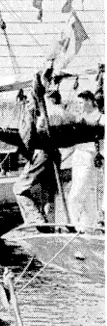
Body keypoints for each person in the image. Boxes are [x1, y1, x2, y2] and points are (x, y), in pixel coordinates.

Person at [14, 71, 105, 224]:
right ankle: (51, 223)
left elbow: (29, 137)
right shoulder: (68, 114)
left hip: (42, 154)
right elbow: (87, 123)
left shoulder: (43, 114)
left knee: (19, 188)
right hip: (55, 156)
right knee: (48, 192)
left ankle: (37, 220)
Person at [66, 90, 104, 230]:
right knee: (88, 197)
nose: (80, 106)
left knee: (75, 196)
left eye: (81, 102)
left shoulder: (101, 119)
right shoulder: (81, 118)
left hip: (89, 158)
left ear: (89, 101)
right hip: (78, 157)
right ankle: (89, 228)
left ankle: (75, 226)